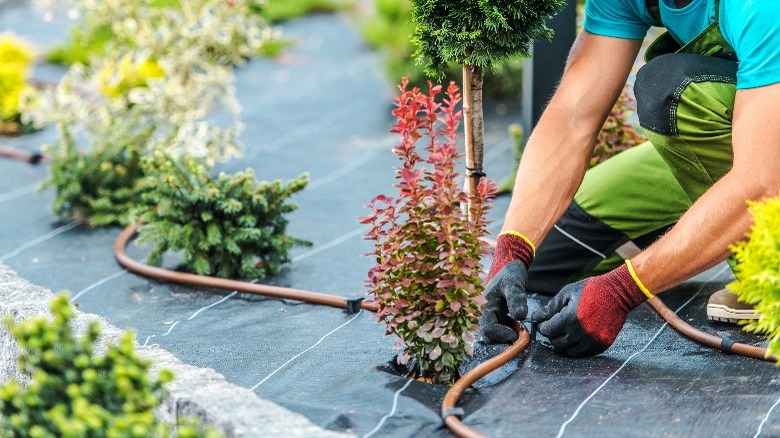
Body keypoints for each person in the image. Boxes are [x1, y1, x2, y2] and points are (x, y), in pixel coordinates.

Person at [480, 0, 780, 357]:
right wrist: (513, 248)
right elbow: (573, 116)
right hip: (742, 132)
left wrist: (623, 288)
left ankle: (768, 277)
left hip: (763, 155)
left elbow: (762, 182)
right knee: (546, 258)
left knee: (674, 91)